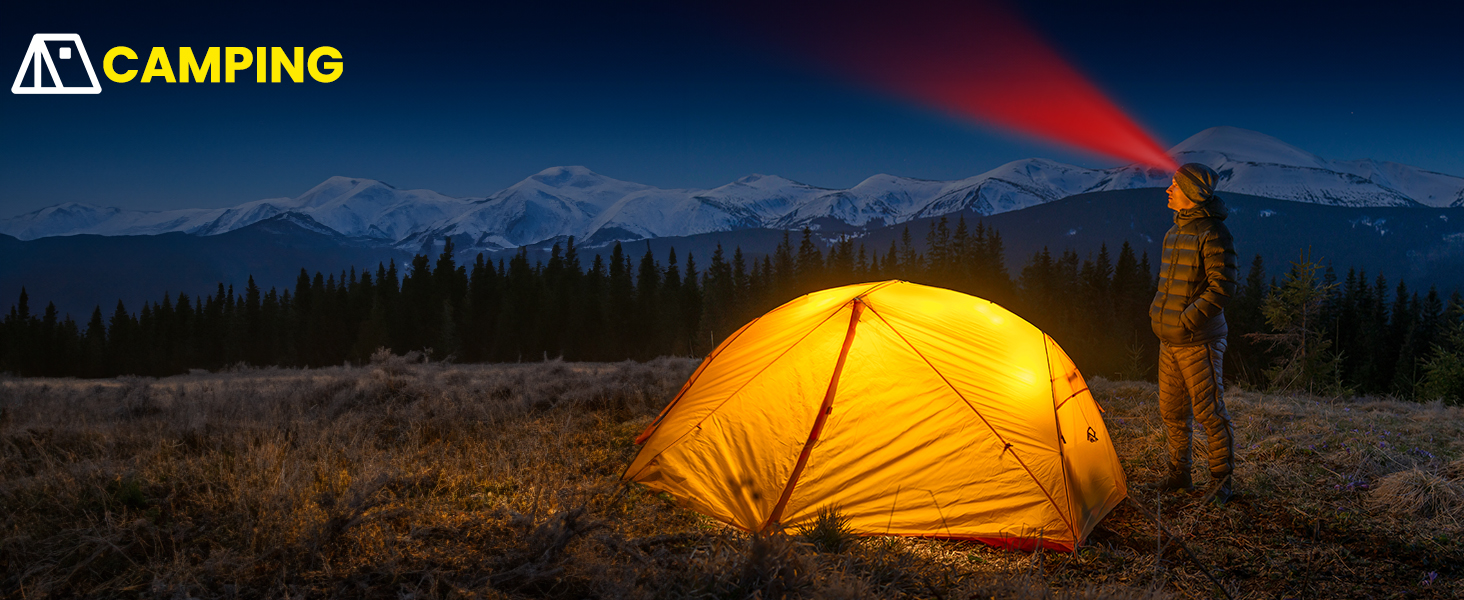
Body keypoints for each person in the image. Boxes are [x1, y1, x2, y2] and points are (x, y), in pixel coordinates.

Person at [1149, 163, 1238, 504]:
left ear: (1191, 192)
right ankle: (1179, 474)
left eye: (1174, 185)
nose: (1168, 190)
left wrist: (1187, 320)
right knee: (1171, 410)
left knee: (1208, 411)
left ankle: (1220, 481)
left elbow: (1222, 288)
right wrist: (1160, 315)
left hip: (1197, 339)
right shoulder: (1174, 233)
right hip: (1169, 337)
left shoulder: (1214, 233)